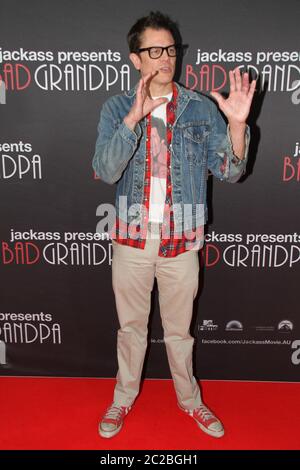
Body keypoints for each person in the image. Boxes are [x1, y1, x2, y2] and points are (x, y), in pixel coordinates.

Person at [92, 10, 256, 439]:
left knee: (180, 333)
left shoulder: (201, 108)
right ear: (135, 58)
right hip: (131, 239)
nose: (166, 57)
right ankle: (122, 398)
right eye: (155, 50)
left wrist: (238, 126)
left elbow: (231, 170)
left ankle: (191, 401)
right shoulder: (115, 108)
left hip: (182, 241)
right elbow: (106, 170)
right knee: (131, 329)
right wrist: (134, 117)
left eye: (171, 49)